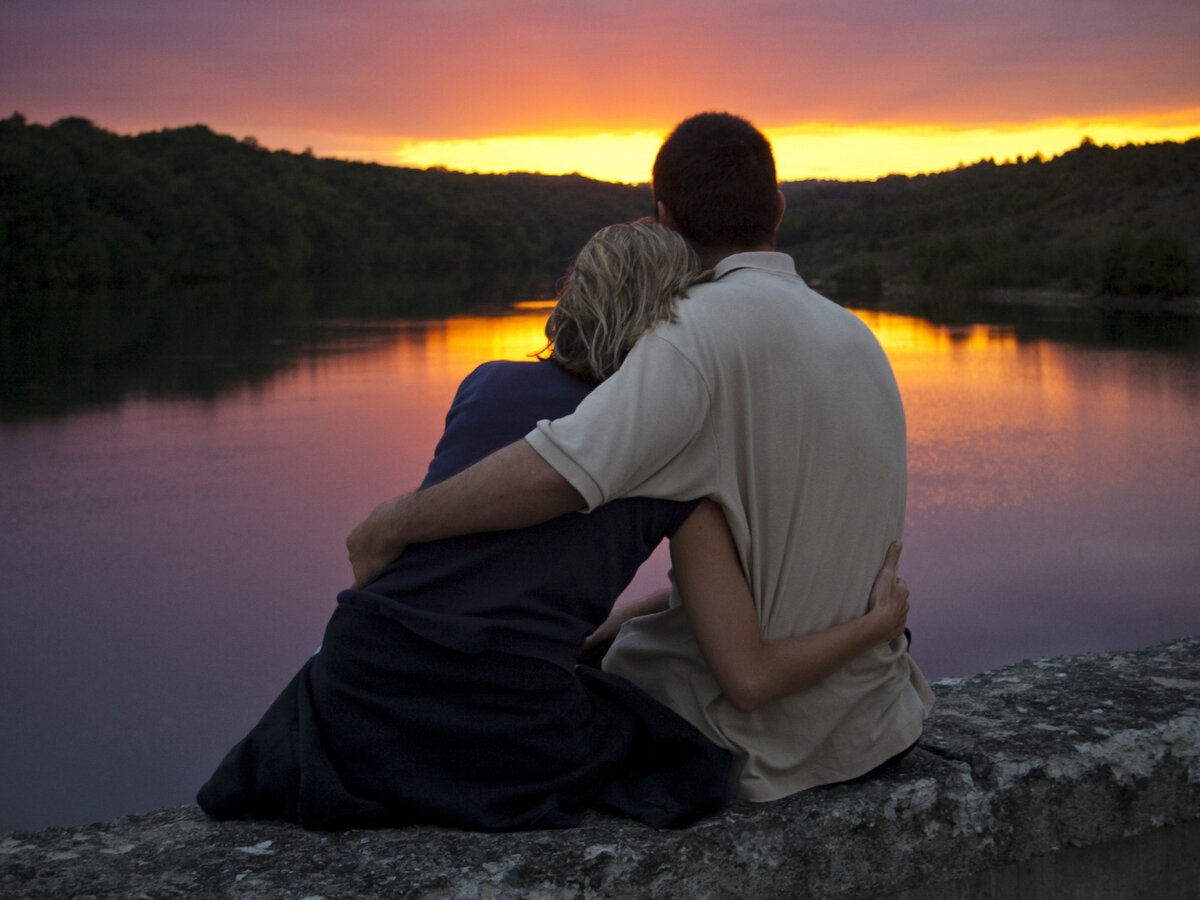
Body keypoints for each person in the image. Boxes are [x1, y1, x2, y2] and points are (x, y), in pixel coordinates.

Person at [197, 222, 912, 832]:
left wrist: (597, 630)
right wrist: (876, 624)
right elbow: (747, 674)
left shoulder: (483, 383)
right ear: (675, 319)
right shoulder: (672, 453)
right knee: (679, 756)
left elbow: (493, 567)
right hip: (496, 715)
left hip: (357, 679)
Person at [346, 113, 935, 801]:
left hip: (759, 745)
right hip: (876, 723)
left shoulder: (692, 335)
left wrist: (393, 524)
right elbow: (764, 573)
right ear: (777, 207)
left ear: (661, 217)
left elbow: (560, 470)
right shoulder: (858, 338)